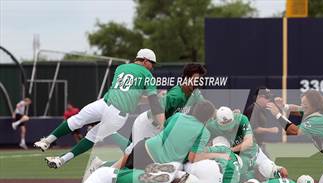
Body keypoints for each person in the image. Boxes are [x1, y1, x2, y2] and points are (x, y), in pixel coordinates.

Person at [34, 48, 162, 169]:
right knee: (91, 137)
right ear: (145, 61)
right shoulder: (147, 74)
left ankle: (47, 141)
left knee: (77, 120)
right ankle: (63, 160)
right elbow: (152, 101)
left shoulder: (121, 67)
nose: (152, 67)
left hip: (104, 103)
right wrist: (159, 120)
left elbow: (130, 93)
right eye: (152, 63)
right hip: (118, 114)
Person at [131, 63, 207, 145]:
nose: (198, 82)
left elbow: (206, 108)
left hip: (160, 128)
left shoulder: (195, 94)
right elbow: (158, 108)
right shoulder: (176, 95)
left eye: (200, 79)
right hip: (147, 124)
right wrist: (164, 130)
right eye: (196, 79)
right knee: (135, 153)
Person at [246, 88, 282, 152]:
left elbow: (276, 109)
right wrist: (270, 130)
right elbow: (254, 129)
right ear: (259, 97)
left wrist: (280, 105)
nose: (269, 100)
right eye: (267, 97)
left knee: (268, 161)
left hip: (258, 144)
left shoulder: (261, 108)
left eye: (269, 97)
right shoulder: (253, 109)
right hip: (251, 147)